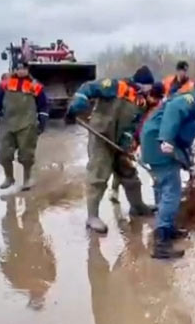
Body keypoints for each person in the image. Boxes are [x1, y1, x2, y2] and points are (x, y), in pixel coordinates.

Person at [65, 66, 156, 234]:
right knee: (98, 176)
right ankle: (92, 217)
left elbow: (134, 125)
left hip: (119, 143)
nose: (148, 90)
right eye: (147, 86)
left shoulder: (141, 101)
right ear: (140, 83)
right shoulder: (115, 86)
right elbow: (88, 88)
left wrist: (128, 144)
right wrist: (79, 102)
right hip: (101, 136)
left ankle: (138, 207)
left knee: (129, 175)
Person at [141, 79, 195, 259]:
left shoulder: (188, 99)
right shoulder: (190, 100)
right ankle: (162, 242)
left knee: (161, 186)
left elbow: (184, 139)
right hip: (160, 144)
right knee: (171, 190)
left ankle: (166, 227)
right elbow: (174, 112)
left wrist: (189, 162)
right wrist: (166, 138)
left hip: (153, 142)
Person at [0, 61, 49, 191]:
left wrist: (43, 119)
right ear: (15, 70)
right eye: (18, 68)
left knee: (26, 154)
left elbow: (43, 104)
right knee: (3, 153)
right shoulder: (6, 84)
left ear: (28, 70)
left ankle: (27, 179)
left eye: (24, 68)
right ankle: (9, 178)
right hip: (6, 123)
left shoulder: (35, 85)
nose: (21, 71)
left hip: (27, 123)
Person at [109, 81, 165, 205]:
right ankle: (114, 190)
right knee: (123, 163)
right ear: (150, 94)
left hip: (138, 137)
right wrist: (130, 141)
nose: (155, 101)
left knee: (125, 163)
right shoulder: (139, 101)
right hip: (128, 135)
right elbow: (134, 123)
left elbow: (146, 125)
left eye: (158, 99)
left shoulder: (158, 106)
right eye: (153, 97)